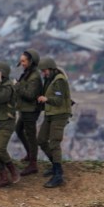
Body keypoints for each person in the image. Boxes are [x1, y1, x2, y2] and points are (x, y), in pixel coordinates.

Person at [36, 56, 72, 188]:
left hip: (59, 114)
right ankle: (55, 164)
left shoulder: (59, 81)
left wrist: (46, 99)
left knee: (54, 143)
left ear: (51, 69)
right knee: (41, 139)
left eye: (45, 71)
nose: (43, 73)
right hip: (50, 114)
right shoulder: (50, 79)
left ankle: (58, 175)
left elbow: (58, 100)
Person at [14, 48, 43, 176]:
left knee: (31, 137)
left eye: (24, 61)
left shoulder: (35, 76)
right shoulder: (27, 73)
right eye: (21, 61)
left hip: (30, 110)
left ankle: (33, 164)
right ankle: (30, 154)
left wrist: (17, 86)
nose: (22, 64)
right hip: (24, 109)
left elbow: (30, 95)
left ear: (31, 61)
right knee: (19, 130)